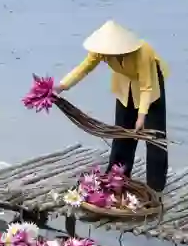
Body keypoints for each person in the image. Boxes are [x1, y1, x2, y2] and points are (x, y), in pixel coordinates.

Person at [55, 20, 171, 191]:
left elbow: (146, 86)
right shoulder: (101, 51)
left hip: (150, 87)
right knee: (122, 133)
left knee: (154, 138)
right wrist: (61, 86)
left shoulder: (143, 51)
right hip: (125, 86)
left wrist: (141, 116)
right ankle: (117, 178)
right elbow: (84, 68)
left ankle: (156, 187)